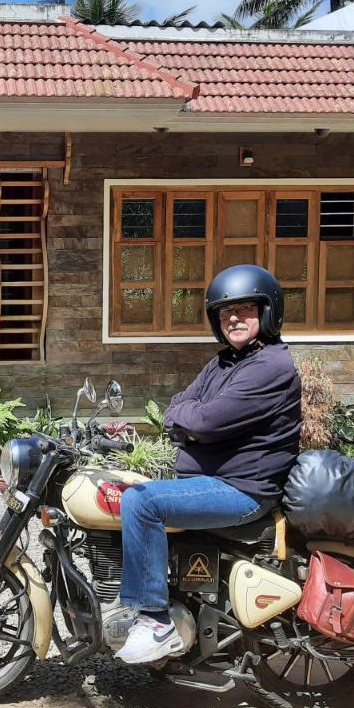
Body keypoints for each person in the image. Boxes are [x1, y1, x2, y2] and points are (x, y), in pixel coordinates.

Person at [110, 264, 303, 664]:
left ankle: (155, 621)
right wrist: (190, 419)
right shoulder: (223, 363)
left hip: (241, 489)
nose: (233, 318)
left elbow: (205, 420)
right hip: (217, 481)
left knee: (141, 501)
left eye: (246, 308)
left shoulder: (271, 367)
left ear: (268, 312)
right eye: (224, 311)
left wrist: (193, 420)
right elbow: (177, 409)